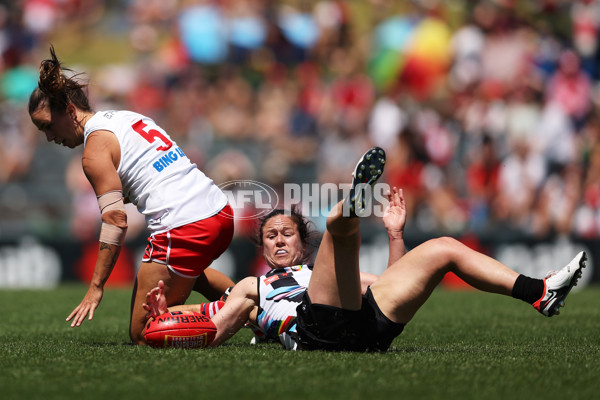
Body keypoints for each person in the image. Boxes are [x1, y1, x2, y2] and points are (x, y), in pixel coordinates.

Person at [145, 147, 587, 351]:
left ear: (301, 242)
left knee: (443, 248)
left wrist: (396, 235)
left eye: (287, 233)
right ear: (263, 249)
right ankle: (353, 202)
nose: (279, 240)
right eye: (271, 236)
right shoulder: (252, 285)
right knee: (341, 228)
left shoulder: (318, 273)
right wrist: (165, 316)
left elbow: (390, 283)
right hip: (314, 331)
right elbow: (217, 328)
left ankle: (539, 291)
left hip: (366, 330)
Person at [28, 46, 235, 345]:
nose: (49, 137)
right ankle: (255, 304)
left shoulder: (94, 151)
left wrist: (96, 286)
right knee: (188, 275)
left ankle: (246, 309)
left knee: (145, 332)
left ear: (70, 111)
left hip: (183, 226)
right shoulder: (125, 117)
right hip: (219, 211)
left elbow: (115, 221)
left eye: (48, 126)